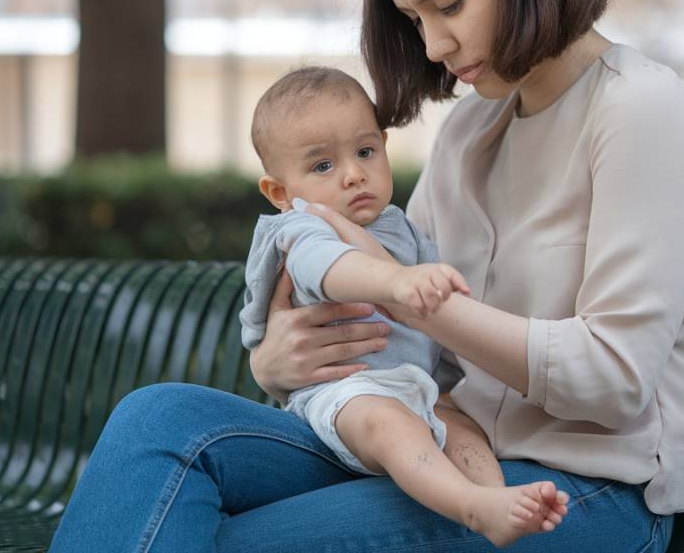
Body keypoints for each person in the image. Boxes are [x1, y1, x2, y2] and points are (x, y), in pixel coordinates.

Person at [50, 0, 684, 553]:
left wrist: (416, 299)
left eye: (450, 4)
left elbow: (614, 380)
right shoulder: (474, 130)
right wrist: (277, 361)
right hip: (440, 450)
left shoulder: (642, 113)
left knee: (217, 540)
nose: (434, 46)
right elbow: (396, 312)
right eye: (414, 19)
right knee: (158, 424)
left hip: (587, 496)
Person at [240, 65, 569, 546]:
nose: (354, 175)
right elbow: (326, 268)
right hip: (346, 395)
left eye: (365, 152)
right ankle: (471, 510)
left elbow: (444, 319)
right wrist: (396, 281)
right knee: (390, 425)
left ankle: (494, 496)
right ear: (280, 193)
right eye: (323, 166)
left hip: (419, 389)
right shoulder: (302, 227)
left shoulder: (401, 227)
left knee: (457, 424)